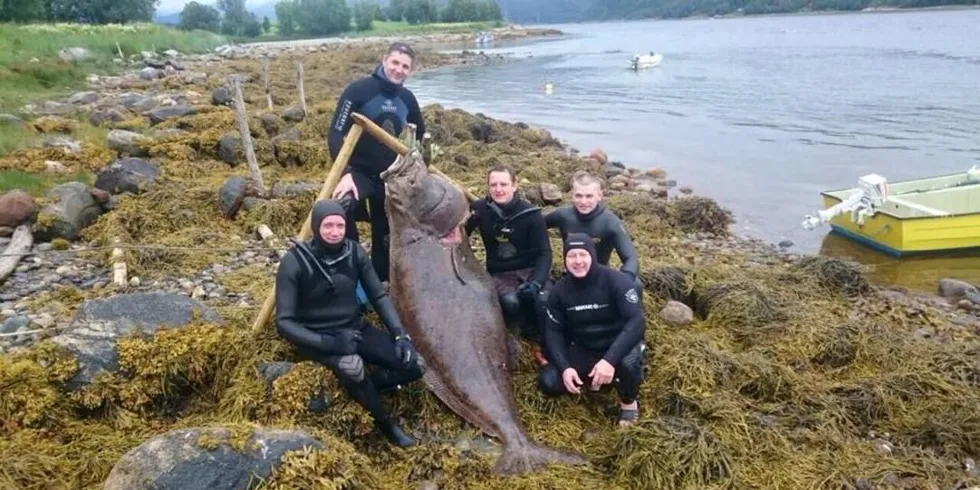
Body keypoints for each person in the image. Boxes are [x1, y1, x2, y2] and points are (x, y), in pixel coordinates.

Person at [275, 199, 424, 447]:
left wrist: (400, 335)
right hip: (318, 336)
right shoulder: (294, 263)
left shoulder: (354, 252)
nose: (335, 232)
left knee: (415, 363)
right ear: (316, 227)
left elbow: (377, 296)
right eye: (328, 226)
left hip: (355, 328)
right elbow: (284, 322)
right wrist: (329, 343)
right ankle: (387, 425)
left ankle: (366, 390)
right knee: (354, 368)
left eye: (340, 226)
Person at [328, 41, 425, 283]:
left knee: (386, 230)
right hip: (358, 173)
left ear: (410, 70)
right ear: (384, 60)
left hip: (391, 176)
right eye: (395, 62)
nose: (398, 69)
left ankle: (381, 279)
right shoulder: (358, 90)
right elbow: (335, 133)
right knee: (342, 207)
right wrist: (345, 172)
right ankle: (350, 271)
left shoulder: (408, 99)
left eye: (405, 66)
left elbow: (419, 138)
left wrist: (414, 171)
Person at [537, 233, 647, 426]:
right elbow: (553, 332)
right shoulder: (559, 291)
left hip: (619, 344)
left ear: (592, 256)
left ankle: (629, 403)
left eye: (583, 254)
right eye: (571, 256)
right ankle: (596, 379)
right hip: (586, 347)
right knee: (550, 383)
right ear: (565, 260)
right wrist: (565, 367)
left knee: (628, 367)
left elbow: (636, 322)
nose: (578, 261)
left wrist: (609, 360)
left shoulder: (617, 281)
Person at [464, 165, 551, 365]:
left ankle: (540, 340)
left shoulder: (531, 214)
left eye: (504, 184)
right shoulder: (479, 209)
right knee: (511, 301)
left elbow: (545, 253)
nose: (498, 189)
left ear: (514, 186)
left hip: (529, 269)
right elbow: (460, 235)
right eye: (493, 185)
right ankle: (514, 331)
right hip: (499, 272)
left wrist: (537, 282)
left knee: (543, 300)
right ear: (488, 187)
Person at [545, 170, 642, 292]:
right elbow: (535, 225)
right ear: (572, 195)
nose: (583, 202)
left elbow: (631, 258)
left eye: (589, 196)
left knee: (635, 285)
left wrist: (624, 279)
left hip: (600, 278)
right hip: (571, 276)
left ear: (599, 196)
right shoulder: (563, 215)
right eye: (578, 196)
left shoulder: (610, 222)